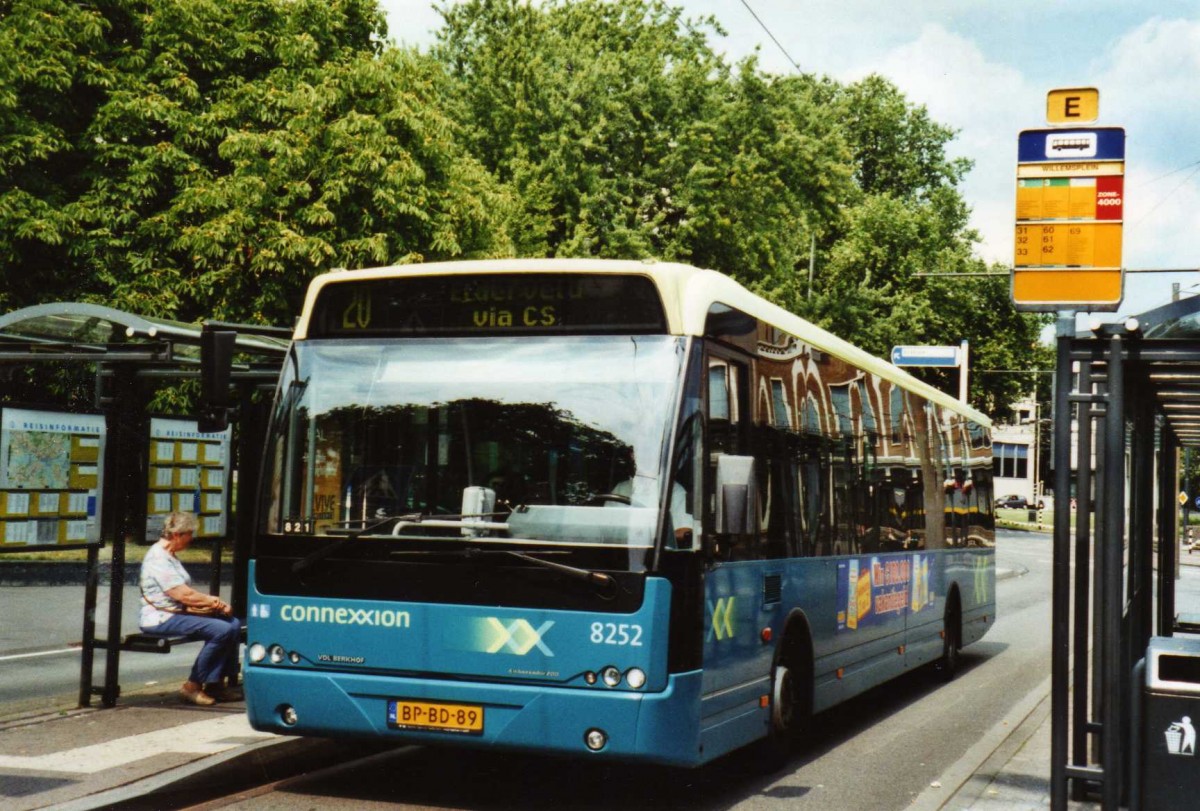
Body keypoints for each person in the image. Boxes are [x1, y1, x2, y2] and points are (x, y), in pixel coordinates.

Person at [139, 512, 243, 706]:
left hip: (177, 613)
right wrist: (215, 603)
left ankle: (216, 684)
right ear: (178, 534)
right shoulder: (158, 558)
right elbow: (182, 594)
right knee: (221, 630)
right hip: (160, 618)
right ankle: (192, 686)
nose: (192, 539)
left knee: (233, 624)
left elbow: (185, 594)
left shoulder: (170, 555)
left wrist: (212, 605)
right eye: (190, 534)